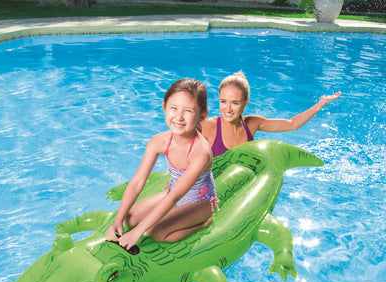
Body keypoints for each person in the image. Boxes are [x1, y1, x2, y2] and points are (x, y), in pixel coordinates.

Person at [106, 78, 218, 250]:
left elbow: (175, 197)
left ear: (202, 115)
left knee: (156, 232)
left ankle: (203, 224)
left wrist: (139, 232)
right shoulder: (159, 141)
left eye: (188, 111)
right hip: (173, 192)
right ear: (164, 107)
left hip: (200, 203)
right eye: (174, 108)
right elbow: (137, 182)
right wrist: (117, 221)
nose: (179, 117)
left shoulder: (200, 152)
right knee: (130, 218)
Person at [201, 71, 341, 157]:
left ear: (245, 102)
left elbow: (292, 124)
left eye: (235, 103)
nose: (228, 109)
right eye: (223, 101)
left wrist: (320, 104)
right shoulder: (209, 126)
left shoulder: (252, 124)